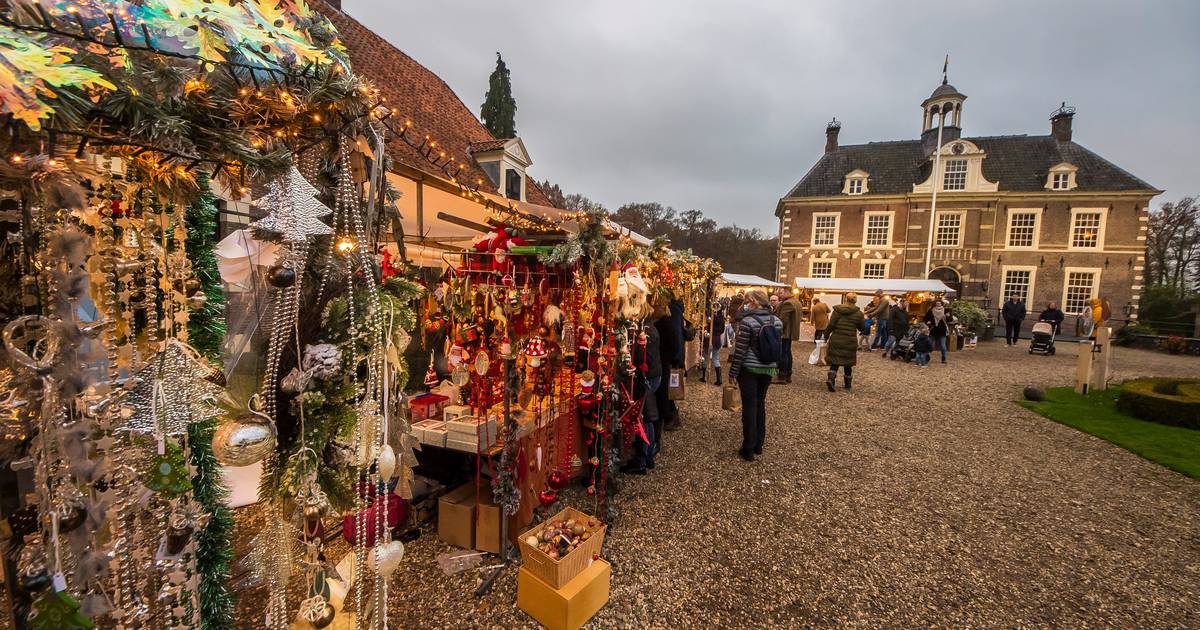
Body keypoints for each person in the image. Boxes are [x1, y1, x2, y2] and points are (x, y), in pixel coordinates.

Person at [725, 290, 782, 462]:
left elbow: (740, 350)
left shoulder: (747, 322)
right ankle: (759, 444)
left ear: (755, 302)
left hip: (749, 368)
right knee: (760, 403)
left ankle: (748, 447)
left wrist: (733, 372)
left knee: (749, 406)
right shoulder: (777, 321)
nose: (745, 304)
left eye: (748, 301)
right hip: (768, 368)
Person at [623, 312, 661, 475]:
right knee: (647, 417)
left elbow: (644, 361)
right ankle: (647, 456)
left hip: (647, 378)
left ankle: (641, 460)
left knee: (643, 417)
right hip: (652, 376)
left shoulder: (646, 333)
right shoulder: (650, 328)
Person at [824, 293, 864, 391]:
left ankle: (831, 379)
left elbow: (831, 325)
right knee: (848, 363)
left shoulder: (837, 311)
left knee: (835, 361)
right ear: (855, 301)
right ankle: (847, 384)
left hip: (837, 339)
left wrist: (826, 335)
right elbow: (862, 328)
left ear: (846, 299)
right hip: (850, 341)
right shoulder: (859, 313)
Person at [776, 290, 801, 384]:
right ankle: (788, 374)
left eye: (781, 293)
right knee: (787, 352)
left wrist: (776, 331)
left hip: (785, 332)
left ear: (788, 293)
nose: (779, 295)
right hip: (789, 332)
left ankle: (782, 376)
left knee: (783, 353)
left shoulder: (788, 303)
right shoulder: (796, 302)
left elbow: (781, 320)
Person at [700, 299, 726, 385]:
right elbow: (722, 330)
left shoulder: (710, 318)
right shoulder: (722, 318)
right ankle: (719, 379)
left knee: (706, 357)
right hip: (717, 339)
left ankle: (704, 377)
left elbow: (708, 327)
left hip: (710, 339)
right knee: (715, 358)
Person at [922, 298, 953, 364]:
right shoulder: (931, 311)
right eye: (937, 303)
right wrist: (928, 322)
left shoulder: (945, 311)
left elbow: (950, 320)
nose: (938, 304)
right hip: (933, 330)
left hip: (942, 331)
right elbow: (925, 319)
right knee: (930, 344)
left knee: (943, 345)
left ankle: (943, 358)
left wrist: (947, 316)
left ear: (942, 304)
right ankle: (925, 357)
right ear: (934, 304)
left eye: (940, 303)